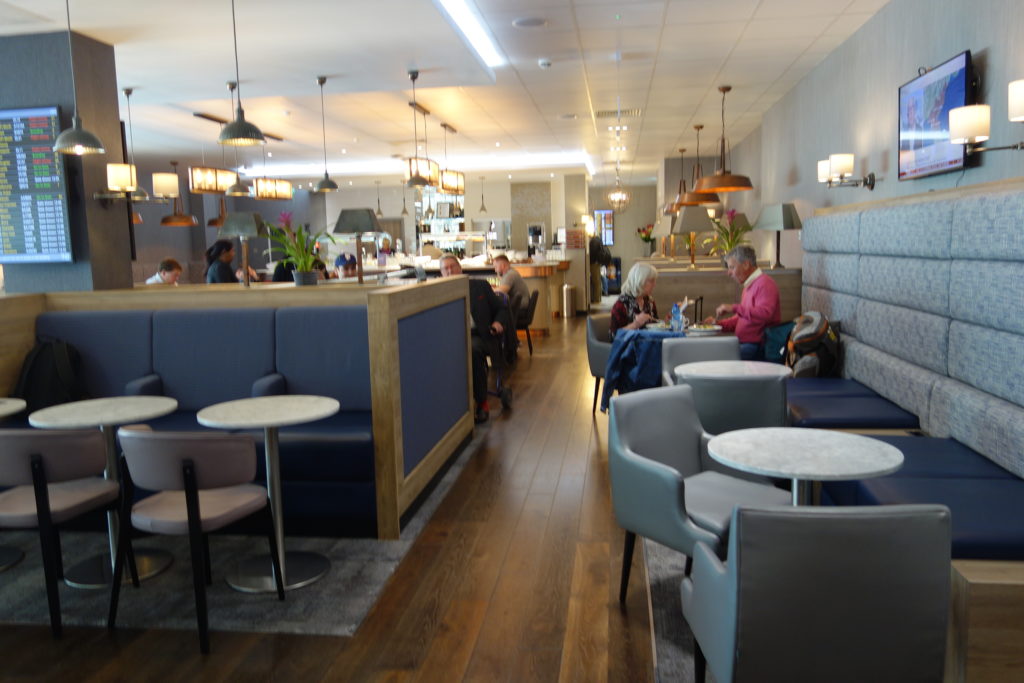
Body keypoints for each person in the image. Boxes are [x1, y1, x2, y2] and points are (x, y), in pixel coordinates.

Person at [440, 254, 512, 424]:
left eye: (453, 267)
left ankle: (482, 403)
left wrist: (497, 323)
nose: (450, 271)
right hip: (449, 337)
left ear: (460, 268)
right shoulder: (437, 293)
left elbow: (501, 309)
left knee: (472, 351)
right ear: (441, 273)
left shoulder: (480, 286)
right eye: (445, 269)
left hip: (480, 335)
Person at [705, 245, 780, 360]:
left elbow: (765, 314)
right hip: (745, 343)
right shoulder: (749, 285)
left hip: (756, 346)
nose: (729, 273)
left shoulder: (765, 284)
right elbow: (742, 318)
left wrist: (734, 308)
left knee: (713, 358)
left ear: (745, 264)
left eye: (732, 267)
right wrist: (717, 324)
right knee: (709, 352)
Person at [610, 262, 660, 335]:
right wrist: (635, 324)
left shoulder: (649, 301)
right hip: (630, 345)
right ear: (640, 281)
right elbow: (614, 335)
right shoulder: (621, 304)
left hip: (648, 342)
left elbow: (655, 325)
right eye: (651, 281)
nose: (654, 284)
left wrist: (668, 319)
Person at [492, 254, 529, 319]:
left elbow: (501, 292)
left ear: (503, 266)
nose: (495, 270)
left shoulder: (510, 275)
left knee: (493, 310)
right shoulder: (510, 272)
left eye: (496, 267)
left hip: (519, 307)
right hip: (519, 305)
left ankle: (493, 328)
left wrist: (488, 290)